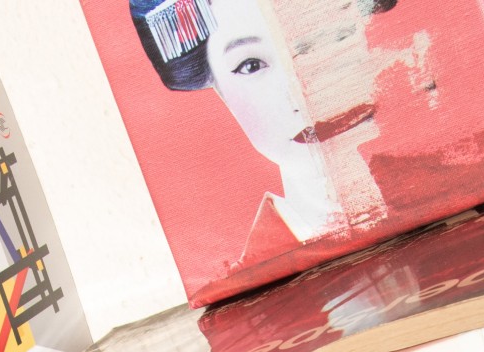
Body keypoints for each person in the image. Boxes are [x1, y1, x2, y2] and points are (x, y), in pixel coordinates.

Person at [129, 0, 400, 259]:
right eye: (251, 65)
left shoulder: (421, 186)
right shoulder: (249, 277)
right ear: (220, 89)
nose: (300, 91)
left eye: (334, 36)